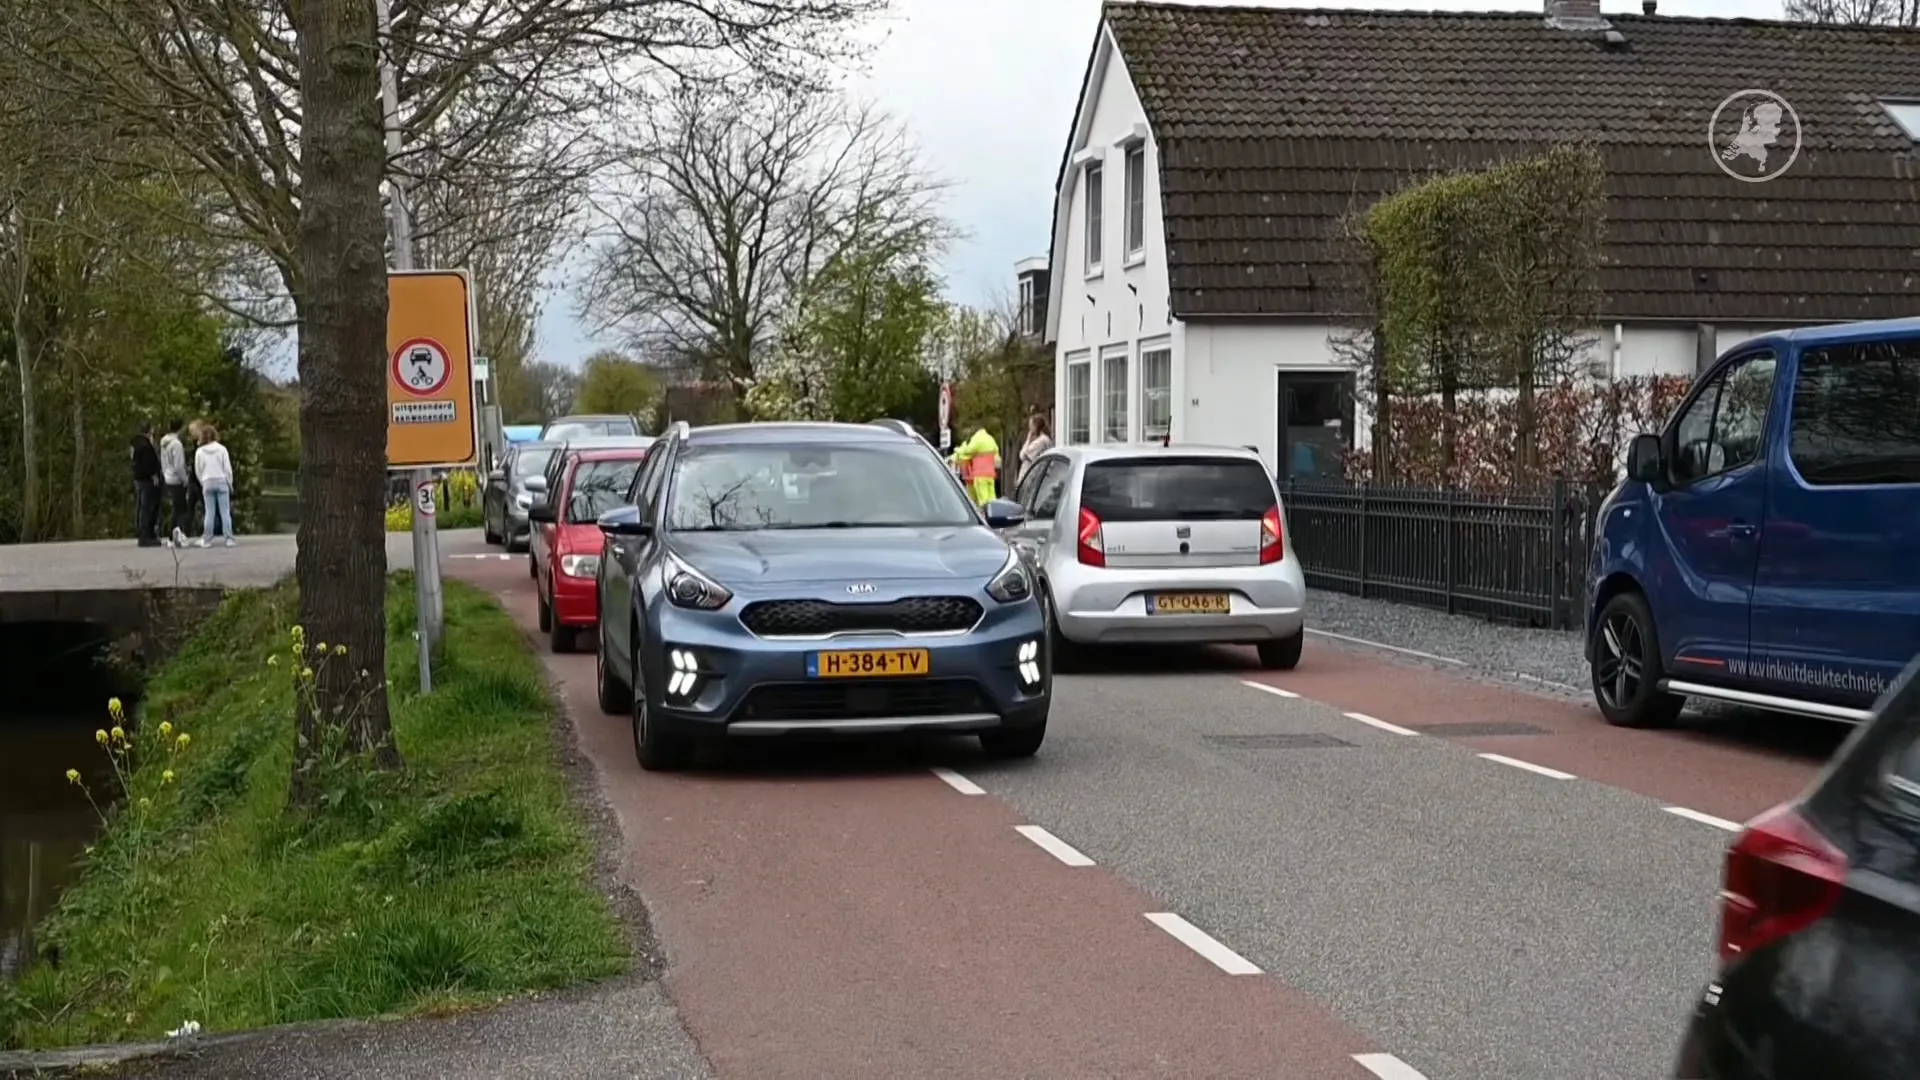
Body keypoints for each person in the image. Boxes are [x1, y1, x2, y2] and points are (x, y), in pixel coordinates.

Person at [194, 424, 236, 547]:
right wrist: (230, 482)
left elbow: (198, 469)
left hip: (207, 481)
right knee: (225, 511)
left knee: (209, 512)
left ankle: (207, 539)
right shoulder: (221, 449)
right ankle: (229, 538)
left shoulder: (200, 452)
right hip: (221, 480)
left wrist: (202, 481)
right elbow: (227, 468)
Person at [129, 421, 163, 547]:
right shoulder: (145, 445)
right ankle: (145, 534)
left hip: (139, 478)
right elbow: (149, 463)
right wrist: (153, 475)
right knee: (148, 507)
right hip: (147, 479)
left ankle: (144, 532)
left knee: (142, 506)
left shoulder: (135, 444)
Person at [949, 424, 1000, 506]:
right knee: (992, 497)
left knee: (982, 499)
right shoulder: (991, 439)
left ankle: (985, 515)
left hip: (979, 474)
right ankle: (995, 513)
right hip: (990, 474)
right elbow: (997, 455)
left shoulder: (976, 439)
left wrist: (957, 450)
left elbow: (968, 451)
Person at [159, 417, 191, 547]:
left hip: (167, 476)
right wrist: (185, 478)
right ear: (181, 428)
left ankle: (172, 535)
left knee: (176, 507)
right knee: (180, 509)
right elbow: (178, 465)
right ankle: (176, 534)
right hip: (176, 479)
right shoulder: (176, 444)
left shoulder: (164, 442)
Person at [1017, 414, 1053, 487]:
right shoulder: (1043, 439)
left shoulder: (1041, 441)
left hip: (1030, 476)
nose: (1029, 428)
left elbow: (1023, 455)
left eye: (1031, 425)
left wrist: (1028, 439)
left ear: (1036, 426)